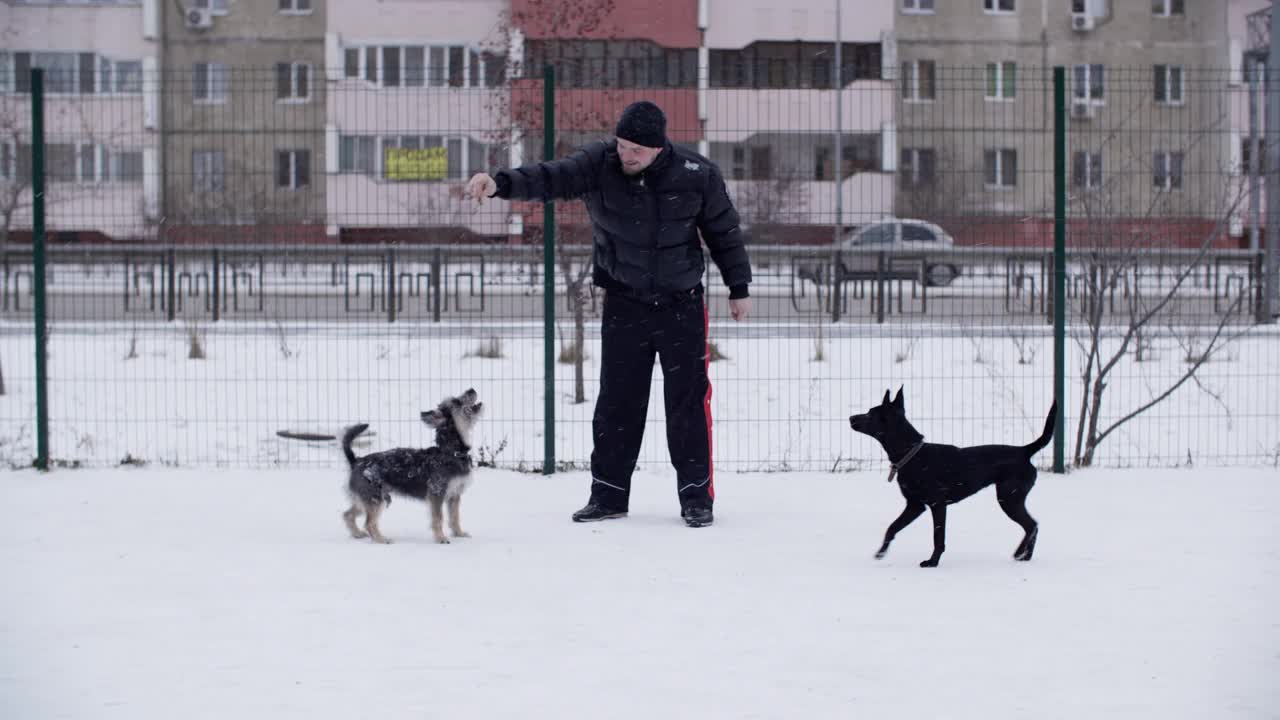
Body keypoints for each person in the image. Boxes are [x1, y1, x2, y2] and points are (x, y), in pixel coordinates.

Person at [466, 100, 751, 528]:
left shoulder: (697, 174)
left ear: (658, 148)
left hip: (681, 304)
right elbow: (551, 176)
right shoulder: (599, 163)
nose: (626, 155)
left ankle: (697, 497)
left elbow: (723, 231)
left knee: (688, 403)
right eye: (622, 145)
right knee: (618, 401)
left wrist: (738, 286)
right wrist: (500, 183)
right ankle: (609, 495)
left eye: (636, 149)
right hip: (624, 300)